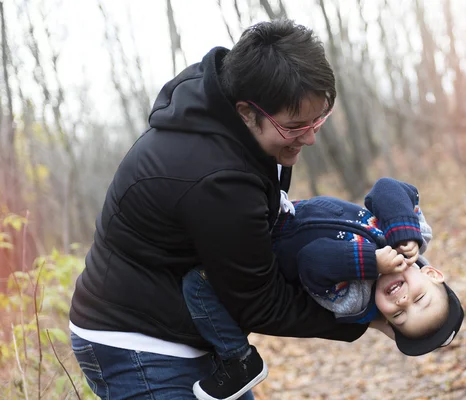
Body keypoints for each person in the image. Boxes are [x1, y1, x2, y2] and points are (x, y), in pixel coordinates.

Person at [69, 20, 387, 400]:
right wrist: (367, 317)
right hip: (135, 342)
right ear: (247, 112)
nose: (311, 136)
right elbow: (260, 301)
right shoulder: (218, 179)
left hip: (190, 325)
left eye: (319, 118)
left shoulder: (231, 115)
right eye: (294, 127)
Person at [187, 177, 464, 400]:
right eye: (419, 298)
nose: (403, 301)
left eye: (400, 315)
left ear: (385, 316)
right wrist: (403, 232)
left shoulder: (354, 298)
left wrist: (370, 262)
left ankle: (238, 358)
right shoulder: (415, 235)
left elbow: (311, 261)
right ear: (432, 273)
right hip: (277, 211)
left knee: (196, 283)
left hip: (260, 249)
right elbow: (385, 188)